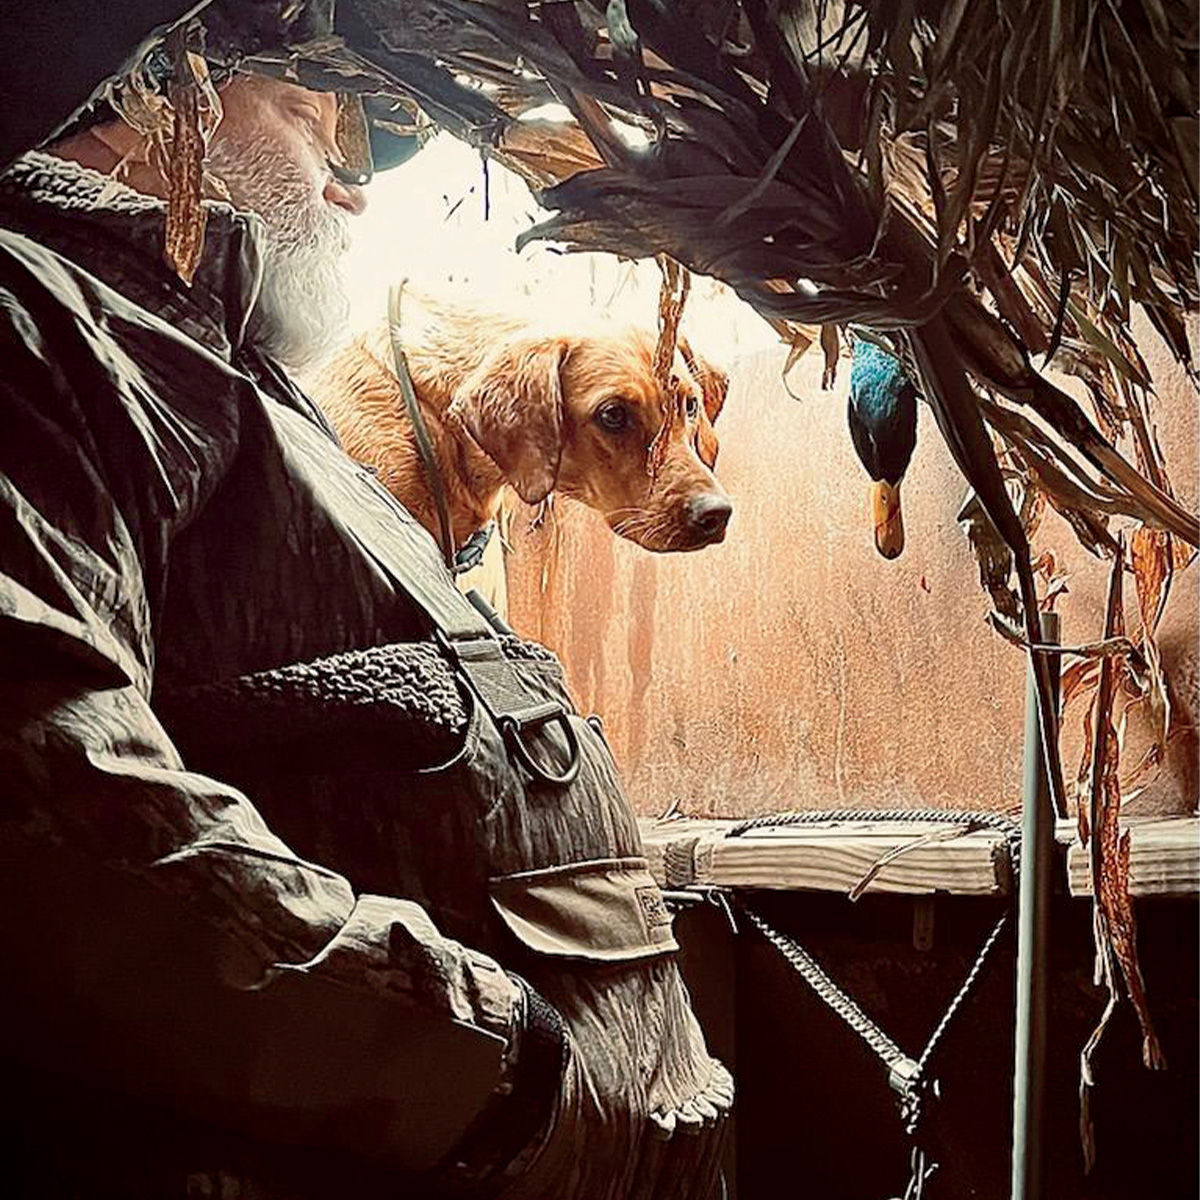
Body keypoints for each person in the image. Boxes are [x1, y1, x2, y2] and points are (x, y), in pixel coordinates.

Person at [0, 36, 732, 1200]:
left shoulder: (244, 383)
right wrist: (497, 1066)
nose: (349, 180)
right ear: (152, 92)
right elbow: (44, 801)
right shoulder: (44, 316)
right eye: (306, 114)